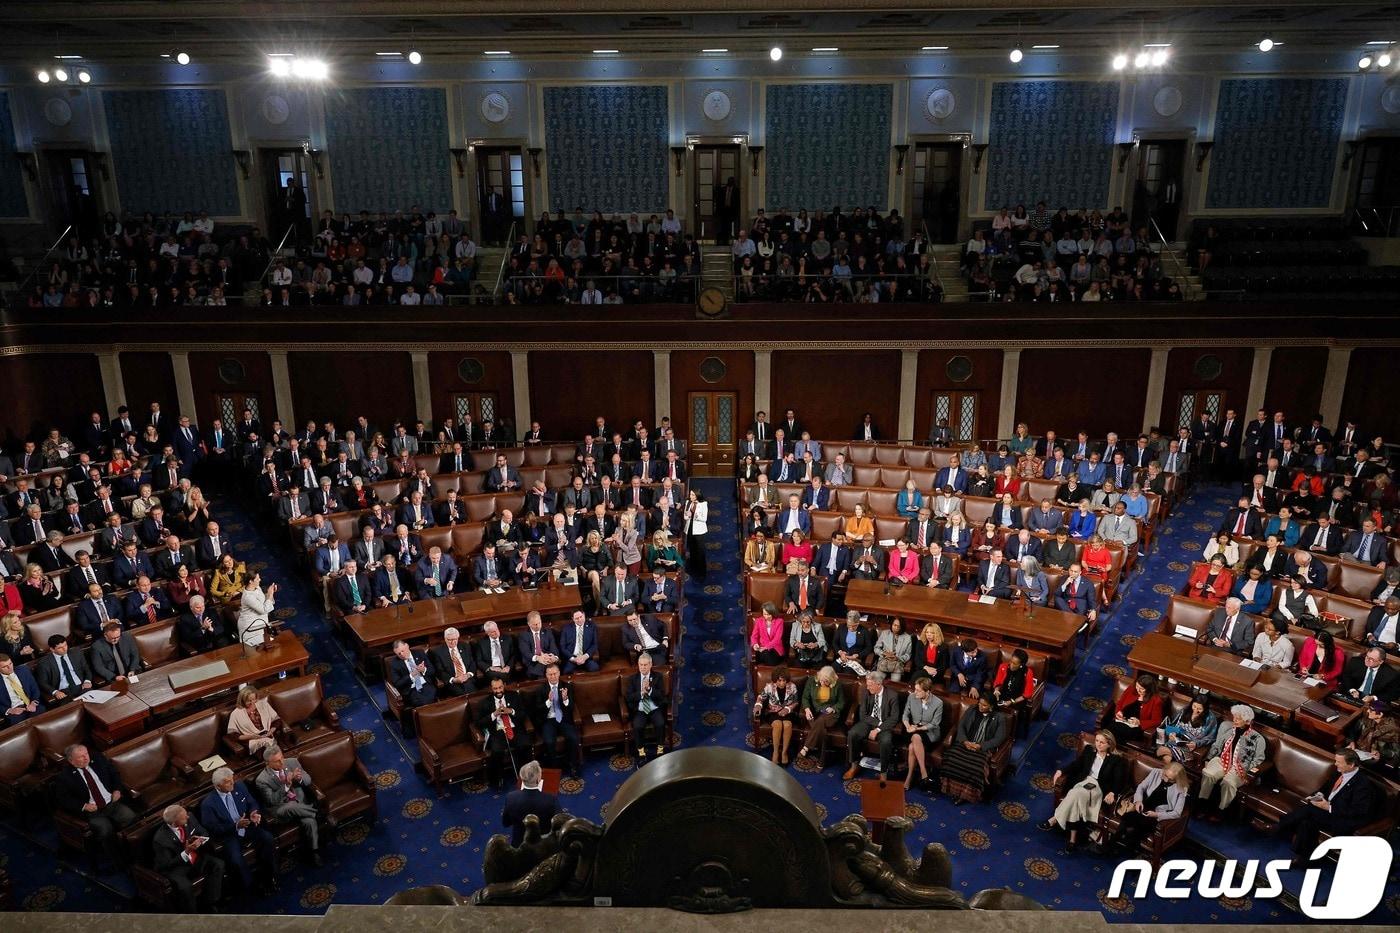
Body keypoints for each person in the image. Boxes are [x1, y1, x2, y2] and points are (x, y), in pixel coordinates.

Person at [1277, 749, 1378, 869]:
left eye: (1339, 762)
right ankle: (1306, 861)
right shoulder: (1338, 773)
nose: (1335, 764)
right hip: (1326, 812)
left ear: (1351, 765)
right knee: (1306, 822)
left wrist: (1329, 807)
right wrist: (1316, 796)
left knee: (1308, 811)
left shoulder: (1363, 784)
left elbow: (1358, 811)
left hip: (1343, 819)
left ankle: (1278, 827)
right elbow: (1324, 789)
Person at [53, 744, 138, 868]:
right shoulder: (64, 777)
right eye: (81, 757)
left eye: (86, 754)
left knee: (131, 817)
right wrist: (83, 805)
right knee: (106, 830)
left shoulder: (98, 760)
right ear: (71, 760)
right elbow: (64, 799)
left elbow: (115, 774)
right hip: (93, 812)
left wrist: (117, 790)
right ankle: (119, 862)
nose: (86, 758)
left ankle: (133, 853)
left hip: (111, 803)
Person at [1041, 730, 1129, 850]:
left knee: (1075, 793)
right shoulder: (1089, 750)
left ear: (1109, 744)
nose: (1098, 744)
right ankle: (1072, 840)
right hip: (1084, 781)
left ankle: (1054, 819)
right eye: (1097, 741)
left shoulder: (1116, 760)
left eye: (1102, 742)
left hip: (1098, 787)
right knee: (1076, 796)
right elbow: (1076, 764)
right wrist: (1061, 770)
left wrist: (1113, 792)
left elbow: (1119, 780)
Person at [198, 767, 278, 893]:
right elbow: (213, 828)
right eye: (228, 782)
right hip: (229, 835)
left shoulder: (240, 786)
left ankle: (269, 876)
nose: (232, 783)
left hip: (248, 826)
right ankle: (251, 887)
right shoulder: (208, 804)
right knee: (236, 860)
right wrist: (235, 826)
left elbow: (252, 803)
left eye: (232, 779)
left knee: (267, 838)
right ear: (218, 786)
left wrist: (253, 813)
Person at [1092, 761, 1189, 858]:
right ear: (1164, 770)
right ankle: (1117, 849)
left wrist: (1156, 815)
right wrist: (1138, 801)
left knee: (1137, 829)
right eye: (1165, 776)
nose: (1166, 780)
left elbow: (1177, 813)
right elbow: (1141, 787)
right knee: (1127, 818)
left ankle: (1112, 848)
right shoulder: (1156, 772)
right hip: (1143, 807)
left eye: (1171, 780)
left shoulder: (1181, 788)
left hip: (1157, 816)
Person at [1198, 705, 1267, 817]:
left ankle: (1221, 811)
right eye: (1234, 717)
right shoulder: (1227, 728)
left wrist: (1247, 771)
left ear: (1247, 721)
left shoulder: (1258, 739)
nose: (1234, 720)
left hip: (1240, 768)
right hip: (1222, 761)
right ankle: (1202, 804)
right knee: (1208, 773)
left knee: (1228, 782)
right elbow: (1217, 745)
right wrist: (1209, 758)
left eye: (1238, 718)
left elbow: (1259, 760)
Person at [154, 804, 225, 912]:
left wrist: (200, 840)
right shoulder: (160, 839)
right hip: (176, 868)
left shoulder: (190, 817)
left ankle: (211, 903)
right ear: (174, 823)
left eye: (186, 814)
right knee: (185, 887)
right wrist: (186, 852)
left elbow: (204, 832)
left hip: (195, 857)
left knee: (218, 864)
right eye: (184, 817)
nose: (188, 817)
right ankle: (192, 915)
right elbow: (167, 864)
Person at [939, 694, 1008, 803]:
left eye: (984, 705)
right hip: (966, 743)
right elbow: (961, 725)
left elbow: (999, 738)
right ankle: (951, 789)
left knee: (975, 767)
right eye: (979, 703)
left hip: (983, 748)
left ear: (991, 706)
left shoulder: (999, 718)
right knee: (951, 758)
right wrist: (965, 741)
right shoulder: (972, 709)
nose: (980, 706)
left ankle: (965, 795)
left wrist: (980, 745)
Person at [843, 671, 902, 780]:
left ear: (879, 684)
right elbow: (863, 715)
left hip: (885, 726)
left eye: (870, 685)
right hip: (868, 722)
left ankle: (883, 773)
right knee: (852, 734)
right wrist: (876, 723)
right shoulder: (866, 692)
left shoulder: (892, 696)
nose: (868, 687)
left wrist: (878, 729)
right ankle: (854, 766)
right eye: (867, 684)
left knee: (886, 742)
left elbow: (894, 718)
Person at [476, 674, 530, 789]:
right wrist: (494, 714)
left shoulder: (514, 696)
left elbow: (524, 714)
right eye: (495, 688)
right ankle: (498, 779)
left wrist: (511, 711)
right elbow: (479, 723)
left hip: (514, 728)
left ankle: (526, 775)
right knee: (496, 751)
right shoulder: (485, 702)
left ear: (504, 686)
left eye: (500, 687)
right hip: (498, 731)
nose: (498, 691)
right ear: (491, 689)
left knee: (524, 744)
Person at [533, 665, 580, 778]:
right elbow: (537, 710)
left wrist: (565, 700)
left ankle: (573, 767)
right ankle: (554, 770)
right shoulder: (541, 689)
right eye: (550, 674)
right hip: (548, 720)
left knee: (573, 738)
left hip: (563, 719)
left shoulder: (567, 686)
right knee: (549, 742)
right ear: (546, 675)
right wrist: (549, 701)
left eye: (555, 673)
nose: (553, 676)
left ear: (559, 673)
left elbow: (571, 707)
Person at [502, 760, 560, 846]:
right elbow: (559, 822)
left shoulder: (510, 797)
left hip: (519, 843)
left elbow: (506, 823)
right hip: (543, 844)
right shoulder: (550, 799)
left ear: (522, 778)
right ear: (538, 779)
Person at [902, 677, 944, 791]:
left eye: (918, 690)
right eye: (915, 689)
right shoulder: (911, 697)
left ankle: (913, 775)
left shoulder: (938, 703)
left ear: (927, 691)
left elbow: (935, 724)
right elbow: (905, 715)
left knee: (913, 743)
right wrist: (908, 727)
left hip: (930, 733)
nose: (915, 692)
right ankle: (923, 774)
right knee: (913, 743)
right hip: (913, 730)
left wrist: (918, 729)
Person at [625, 653, 669, 763]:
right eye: (641, 665)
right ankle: (641, 752)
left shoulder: (658, 677)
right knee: (638, 726)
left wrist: (649, 690)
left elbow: (662, 695)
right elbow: (629, 697)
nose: (643, 667)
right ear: (638, 665)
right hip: (640, 709)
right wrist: (640, 693)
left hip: (654, 707)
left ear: (650, 665)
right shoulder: (633, 679)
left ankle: (660, 749)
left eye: (645, 665)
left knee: (660, 723)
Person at [753, 666, 800, 766]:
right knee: (778, 725)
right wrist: (758, 705)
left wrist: (787, 709)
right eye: (779, 681)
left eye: (784, 681)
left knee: (787, 725)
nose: (782, 683)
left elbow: (796, 702)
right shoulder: (769, 687)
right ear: (775, 680)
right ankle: (775, 752)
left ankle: (784, 752)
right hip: (773, 712)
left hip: (788, 712)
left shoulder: (793, 687)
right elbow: (761, 697)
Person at [1154, 693, 1218, 764]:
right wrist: (1173, 733)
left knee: (1162, 751)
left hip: (1190, 748)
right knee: (1166, 758)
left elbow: (1210, 738)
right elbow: (1176, 725)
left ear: (1205, 709)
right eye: (1194, 706)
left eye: (1199, 709)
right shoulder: (1186, 710)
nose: (1195, 711)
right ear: (1192, 704)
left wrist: (1197, 743)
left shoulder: (1211, 719)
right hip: (1176, 741)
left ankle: (1155, 757)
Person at [1104, 674, 1164, 747]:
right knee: (1109, 730)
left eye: (1141, 688)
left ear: (1149, 689)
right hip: (1122, 720)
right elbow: (1120, 702)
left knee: (1115, 732)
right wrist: (1118, 712)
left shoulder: (1156, 700)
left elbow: (1157, 721)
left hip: (1135, 727)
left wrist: (1139, 722)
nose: (1138, 689)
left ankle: (1112, 750)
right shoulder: (1131, 689)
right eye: (1137, 686)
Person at [227, 686, 281, 757]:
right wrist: (251, 736)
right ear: (242, 700)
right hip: (251, 740)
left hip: (268, 736)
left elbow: (277, 721)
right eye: (249, 701)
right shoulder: (235, 714)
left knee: (270, 746)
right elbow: (233, 735)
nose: (252, 703)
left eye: (254, 699)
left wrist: (270, 731)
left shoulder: (263, 704)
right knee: (269, 747)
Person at [237, 572, 278, 646]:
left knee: (272, 644)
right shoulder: (247, 597)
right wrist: (270, 594)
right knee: (263, 648)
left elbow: (262, 601)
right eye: (257, 578)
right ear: (250, 581)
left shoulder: (257, 588)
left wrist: (270, 594)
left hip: (260, 622)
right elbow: (263, 610)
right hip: (251, 627)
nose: (260, 579)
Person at [750, 602, 785, 666]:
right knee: (761, 654)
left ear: (773, 613)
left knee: (767, 656)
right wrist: (755, 644)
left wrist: (766, 647)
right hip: (761, 648)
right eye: (764, 614)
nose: (766, 616)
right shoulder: (758, 621)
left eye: (768, 614)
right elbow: (754, 636)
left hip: (775, 648)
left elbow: (777, 639)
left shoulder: (779, 621)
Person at [683, 490, 708, 578]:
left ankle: (701, 572)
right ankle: (693, 570)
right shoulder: (688, 502)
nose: (691, 496)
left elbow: (704, 518)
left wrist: (695, 515)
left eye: (693, 495)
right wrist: (688, 515)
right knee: (692, 550)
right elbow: (685, 516)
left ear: (697, 495)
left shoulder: (703, 504)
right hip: (690, 529)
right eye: (690, 494)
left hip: (699, 531)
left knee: (700, 552)